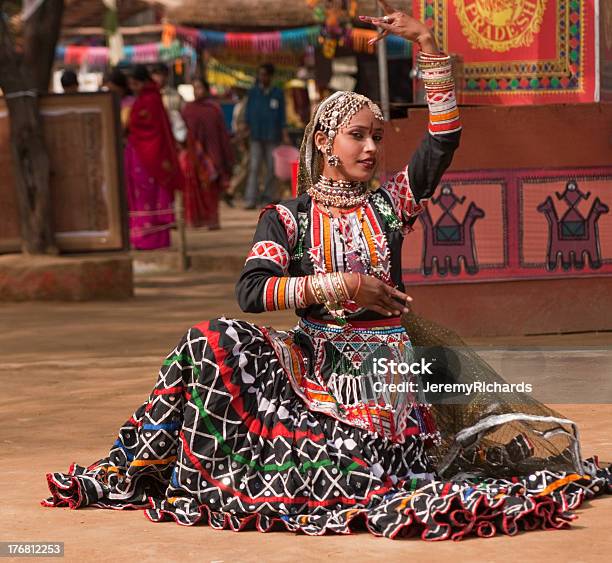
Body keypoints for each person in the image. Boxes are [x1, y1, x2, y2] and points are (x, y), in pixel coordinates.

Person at [44, 3, 610, 540]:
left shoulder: (391, 203)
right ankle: (152, 464)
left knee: (349, 461)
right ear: (325, 143)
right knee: (208, 342)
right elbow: (251, 292)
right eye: (356, 135)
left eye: (377, 137)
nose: (370, 147)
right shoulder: (287, 218)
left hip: (382, 371)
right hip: (311, 359)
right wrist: (343, 284)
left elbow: (443, 140)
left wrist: (429, 44)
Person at [123, 65, 183, 250]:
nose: (132, 87)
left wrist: (130, 129)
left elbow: (150, 129)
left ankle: (151, 240)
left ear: (142, 82)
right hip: (141, 153)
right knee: (142, 196)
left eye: (134, 83)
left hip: (149, 156)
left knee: (148, 195)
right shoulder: (145, 98)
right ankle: (142, 239)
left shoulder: (150, 99)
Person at [181, 78, 234, 230]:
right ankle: (197, 220)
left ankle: (212, 220)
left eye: (199, 87)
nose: (197, 91)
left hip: (212, 155)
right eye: (194, 88)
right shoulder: (188, 109)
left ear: (206, 89)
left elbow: (221, 133)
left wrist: (225, 155)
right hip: (193, 156)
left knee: (211, 189)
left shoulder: (214, 109)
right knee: (194, 188)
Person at [244, 63, 291, 209]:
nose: (262, 77)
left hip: (273, 135)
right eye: (260, 74)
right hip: (256, 135)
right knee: (254, 167)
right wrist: (246, 128)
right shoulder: (253, 92)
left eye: (265, 74)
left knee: (272, 168)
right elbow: (248, 112)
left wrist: (284, 133)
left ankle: (267, 197)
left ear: (270, 76)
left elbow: (282, 115)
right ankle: (250, 199)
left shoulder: (277, 93)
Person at [151, 62, 187, 144]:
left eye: (163, 75)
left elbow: (184, 115)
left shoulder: (176, 95)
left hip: (173, 138)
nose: (159, 78)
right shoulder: (147, 96)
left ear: (167, 76)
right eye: (157, 75)